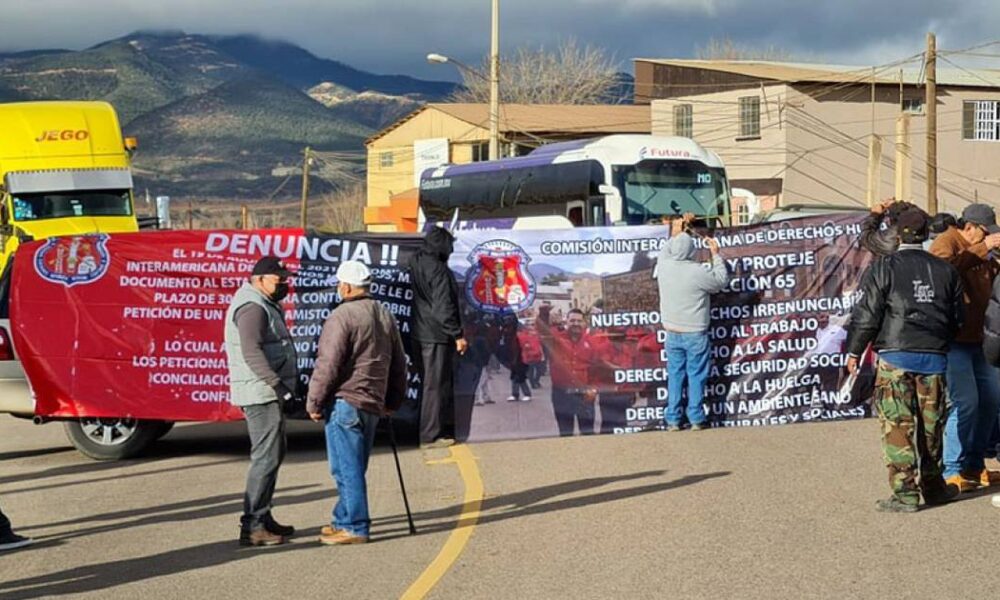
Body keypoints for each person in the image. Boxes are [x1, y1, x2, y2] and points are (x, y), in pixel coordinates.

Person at [846, 207, 963, 512]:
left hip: (895, 357)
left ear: (898, 235)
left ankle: (905, 494)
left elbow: (868, 314)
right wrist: (939, 342)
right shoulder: (946, 270)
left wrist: (854, 351)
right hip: (935, 358)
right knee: (932, 428)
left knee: (897, 427)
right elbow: (957, 318)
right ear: (926, 234)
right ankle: (934, 488)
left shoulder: (884, 267)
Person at [306, 261, 408, 545]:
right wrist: (393, 399)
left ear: (347, 287)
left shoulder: (341, 315)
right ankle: (343, 517)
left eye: (340, 284)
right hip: (372, 401)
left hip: (346, 400)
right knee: (353, 466)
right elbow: (399, 363)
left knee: (345, 468)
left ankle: (354, 526)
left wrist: (314, 402)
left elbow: (328, 363)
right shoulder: (384, 314)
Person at [223, 256, 298, 547]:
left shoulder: (263, 302)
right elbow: (251, 351)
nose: (284, 285)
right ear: (259, 279)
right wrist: (278, 385)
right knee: (265, 458)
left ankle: (263, 516)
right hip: (260, 393)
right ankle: (253, 525)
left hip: (264, 391)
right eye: (279, 280)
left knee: (273, 454)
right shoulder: (252, 307)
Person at [930, 203, 1000, 491]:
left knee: (991, 400)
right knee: (966, 403)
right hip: (956, 339)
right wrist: (982, 249)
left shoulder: (985, 249)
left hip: (982, 338)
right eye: (984, 232)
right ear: (969, 227)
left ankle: (974, 463)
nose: (989, 237)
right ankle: (952, 469)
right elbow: (941, 274)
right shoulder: (946, 241)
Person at [654, 215, 728, 431]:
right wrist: (715, 255)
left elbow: (669, 247)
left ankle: (673, 420)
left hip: (672, 332)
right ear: (692, 251)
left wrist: (678, 228)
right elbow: (720, 281)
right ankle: (696, 418)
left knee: (675, 376)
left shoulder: (663, 265)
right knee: (696, 376)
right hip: (695, 333)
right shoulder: (697, 272)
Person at [409, 227, 467, 449]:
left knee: (427, 384)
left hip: (419, 331)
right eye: (450, 245)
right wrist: (457, 334)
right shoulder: (439, 270)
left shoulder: (417, 261)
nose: (451, 250)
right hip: (436, 335)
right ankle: (430, 435)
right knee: (435, 386)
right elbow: (443, 307)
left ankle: (427, 429)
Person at [537, 308, 598, 436]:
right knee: (566, 433)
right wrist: (544, 313)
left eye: (579, 321)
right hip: (562, 394)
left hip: (584, 395)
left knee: (588, 433)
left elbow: (596, 368)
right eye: (572, 320)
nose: (576, 323)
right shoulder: (556, 339)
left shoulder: (591, 341)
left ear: (584, 323)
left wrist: (593, 389)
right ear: (566, 322)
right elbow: (542, 331)